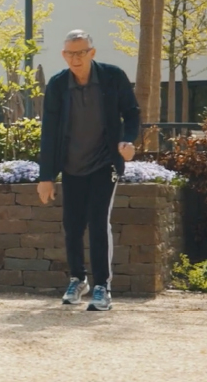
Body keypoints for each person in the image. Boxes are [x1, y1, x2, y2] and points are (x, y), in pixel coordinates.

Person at [37, 29, 140, 312]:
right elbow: (49, 132)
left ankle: (101, 287)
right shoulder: (58, 85)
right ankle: (78, 279)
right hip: (72, 166)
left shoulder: (112, 77)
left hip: (104, 163)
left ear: (92, 53)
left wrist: (127, 140)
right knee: (72, 225)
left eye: (81, 52)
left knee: (97, 223)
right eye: (70, 53)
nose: (75, 58)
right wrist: (46, 176)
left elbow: (131, 113)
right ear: (63, 55)